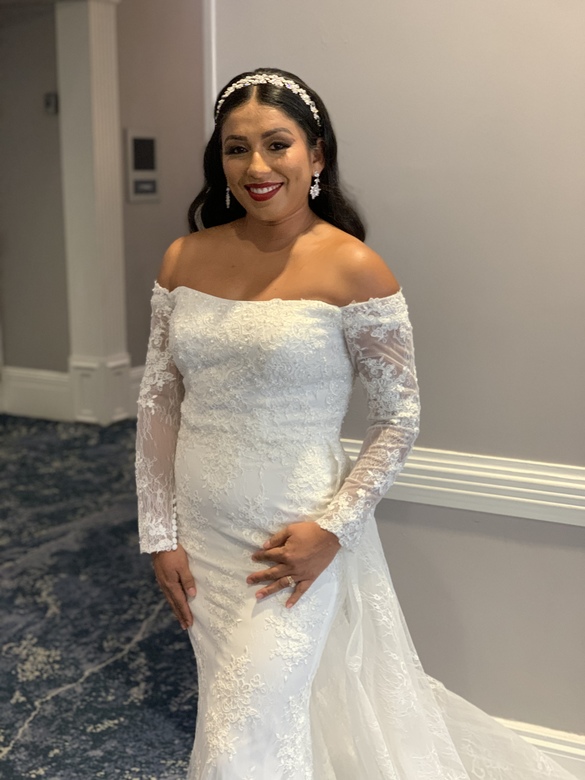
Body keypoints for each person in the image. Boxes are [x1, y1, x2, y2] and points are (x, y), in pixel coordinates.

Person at [135, 68, 577, 780]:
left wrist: (332, 530)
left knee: (241, 734)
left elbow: (398, 418)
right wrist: (160, 533)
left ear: (315, 154)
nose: (256, 167)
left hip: (291, 536)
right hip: (202, 532)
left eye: (277, 144)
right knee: (249, 712)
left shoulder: (355, 268)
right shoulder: (183, 259)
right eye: (236, 149)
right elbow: (159, 401)